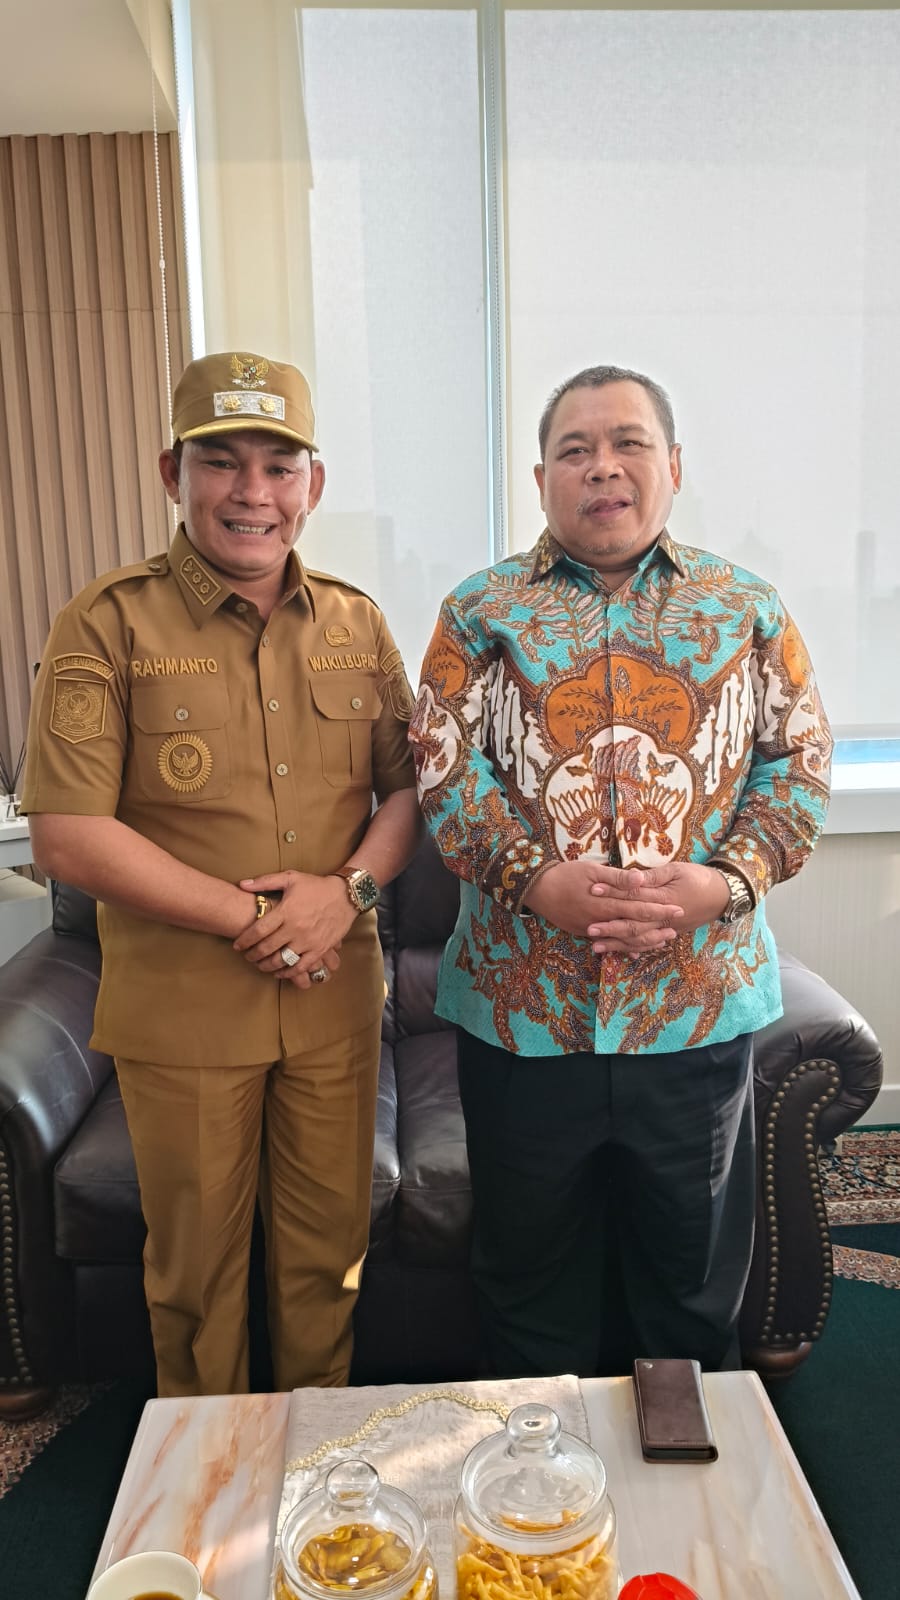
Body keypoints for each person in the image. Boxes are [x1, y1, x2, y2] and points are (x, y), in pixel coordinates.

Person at [410, 364, 832, 1377]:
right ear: (541, 479)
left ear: (672, 465)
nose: (603, 467)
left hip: (695, 1008)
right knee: (527, 1281)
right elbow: (441, 768)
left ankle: (683, 1464)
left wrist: (723, 884)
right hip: (521, 1013)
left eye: (628, 443)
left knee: (690, 1283)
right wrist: (531, 879)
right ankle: (540, 1465)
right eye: (576, 450)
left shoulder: (747, 610)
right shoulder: (478, 612)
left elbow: (800, 763)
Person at [21, 350, 420, 1397]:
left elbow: (409, 794)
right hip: (186, 1013)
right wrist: (255, 918)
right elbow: (67, 834)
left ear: (312, 484)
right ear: (173, 473)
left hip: (332, 1002)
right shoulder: (107, 622)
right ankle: (211, 1479)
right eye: (221, 462)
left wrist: (346, 895)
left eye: (279, 466)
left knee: (328, 1265)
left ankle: (318, 1464)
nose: (253, 493)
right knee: (196, 1283)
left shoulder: (357, 623)